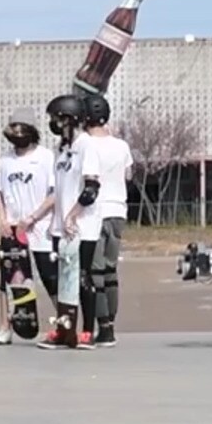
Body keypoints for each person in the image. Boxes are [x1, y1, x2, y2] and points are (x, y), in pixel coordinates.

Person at [0, 107, 57, 344]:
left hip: (39, 226)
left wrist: (34, 217)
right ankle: (5, 326)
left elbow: (54, 193)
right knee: (8, 279)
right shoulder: (5, 161)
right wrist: (1, 220)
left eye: (22, 129)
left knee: (49, 275)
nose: (17, 133)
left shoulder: (46, 157)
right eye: (13, 129)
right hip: (12, 227)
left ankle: (63, 323)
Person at [72, 92, 133, 348]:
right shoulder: (121, 146)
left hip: (93, 212)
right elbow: (128, 175)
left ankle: (104, 327)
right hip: (118, 210)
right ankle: (111, 325)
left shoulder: (83, 143)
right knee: (110, 272)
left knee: (93, 273)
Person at [36, 93, 94, 350]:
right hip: (62, 226)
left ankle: (88, 331)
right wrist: (55, 221)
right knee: (64, 282)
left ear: (69, 119)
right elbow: (60, 191)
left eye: (56, 119)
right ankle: (64, 329)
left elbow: (91, 188)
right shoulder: (62, 150)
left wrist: (72, 215)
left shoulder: (86, 145)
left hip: (83, 226)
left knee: (81, 278)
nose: (53, 124)